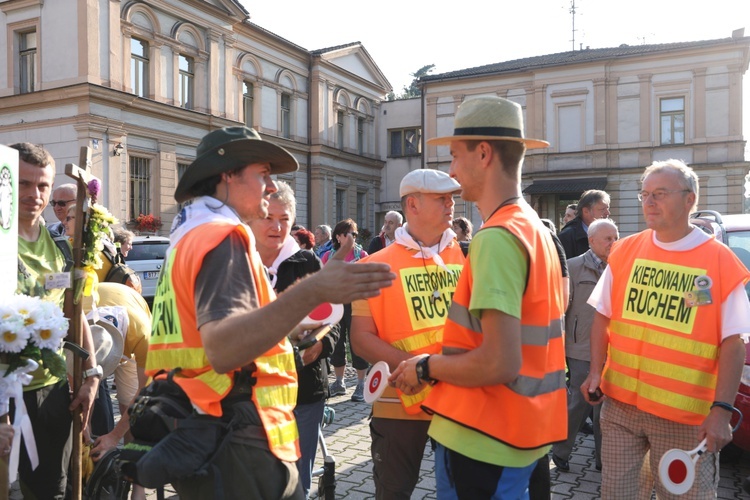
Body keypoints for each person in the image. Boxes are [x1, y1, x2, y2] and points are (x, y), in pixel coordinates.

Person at [145, 126, 394, 499]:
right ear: (227, 175)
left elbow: (205, 339)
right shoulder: (223, 236)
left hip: (202, 430)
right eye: (263, 175)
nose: (272, 187)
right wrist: (317, 288)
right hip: (238, 442)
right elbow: (224, 347)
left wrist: (291, 330)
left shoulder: (188, 237)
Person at [389, 96, 567, 498]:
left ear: (483, 153)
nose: (450, 172)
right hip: (523, 431)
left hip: (485, 435)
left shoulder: (496, 238)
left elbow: (499, 361)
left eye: (454, 156)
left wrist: (424, 367)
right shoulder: (534, 228)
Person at [582, 159, 750, 498]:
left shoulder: (718, 262)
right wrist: (595, 372)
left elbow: (734, 341)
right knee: (618, 495)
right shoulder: (626, 251)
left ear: (690, 200)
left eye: (660, 194)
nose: (648, 202)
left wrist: (722, 409)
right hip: (621, 409)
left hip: (686, 418)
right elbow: (603, 315)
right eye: (645, 194)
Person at [351, 169, 465, 499]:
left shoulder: (468, 257)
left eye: (452, 198)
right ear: (412, 204)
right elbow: (360, 338)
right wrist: (415, 368)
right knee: (393, 492)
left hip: (459, 399)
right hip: (397, 401)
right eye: (441, 198)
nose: (451, 204)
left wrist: (429, 370)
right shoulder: (372, 266)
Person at [12, 142, 101, 499]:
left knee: (52, 492)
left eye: (43, 185)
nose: (35, 194)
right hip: (5, 395)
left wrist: (92, 374)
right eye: (23, 183)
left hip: (51, 392)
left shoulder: (61, 248)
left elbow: (73, 312)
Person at [249, 180, 339, 499]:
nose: (276, 226)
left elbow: (334, 324)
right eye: (268, 217)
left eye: (284, 219)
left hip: (304, 390)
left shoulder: (308, 263)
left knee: (297, 482)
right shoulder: (241, 264)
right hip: (251, 393)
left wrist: (321, 343)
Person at [551, 218, 618, 474]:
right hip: (580, 349)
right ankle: (560, 451)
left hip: (612, 349)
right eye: (607, 239)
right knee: (579, 402)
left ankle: (603, 459)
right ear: (591, 241)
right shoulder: (574, 267)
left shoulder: (620, 266)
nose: (613, 243)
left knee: (605, 405)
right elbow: (562, 311)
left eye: (615, 237)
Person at [322, 219, 370, 401]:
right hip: (335, 303)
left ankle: (360, 384)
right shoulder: (328, 257)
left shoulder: (362, 254)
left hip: (356, 303)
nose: (352, 238)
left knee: (357, 342)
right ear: (339, 237)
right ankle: (339, 382)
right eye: (348, 234)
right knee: (336, 342)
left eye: (355, 235)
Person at [558, 190, 610, 259]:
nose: (608, 213)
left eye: (607, 208)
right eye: (602, 209)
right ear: (586, 211)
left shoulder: (609, 233)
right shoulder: (567, 237)